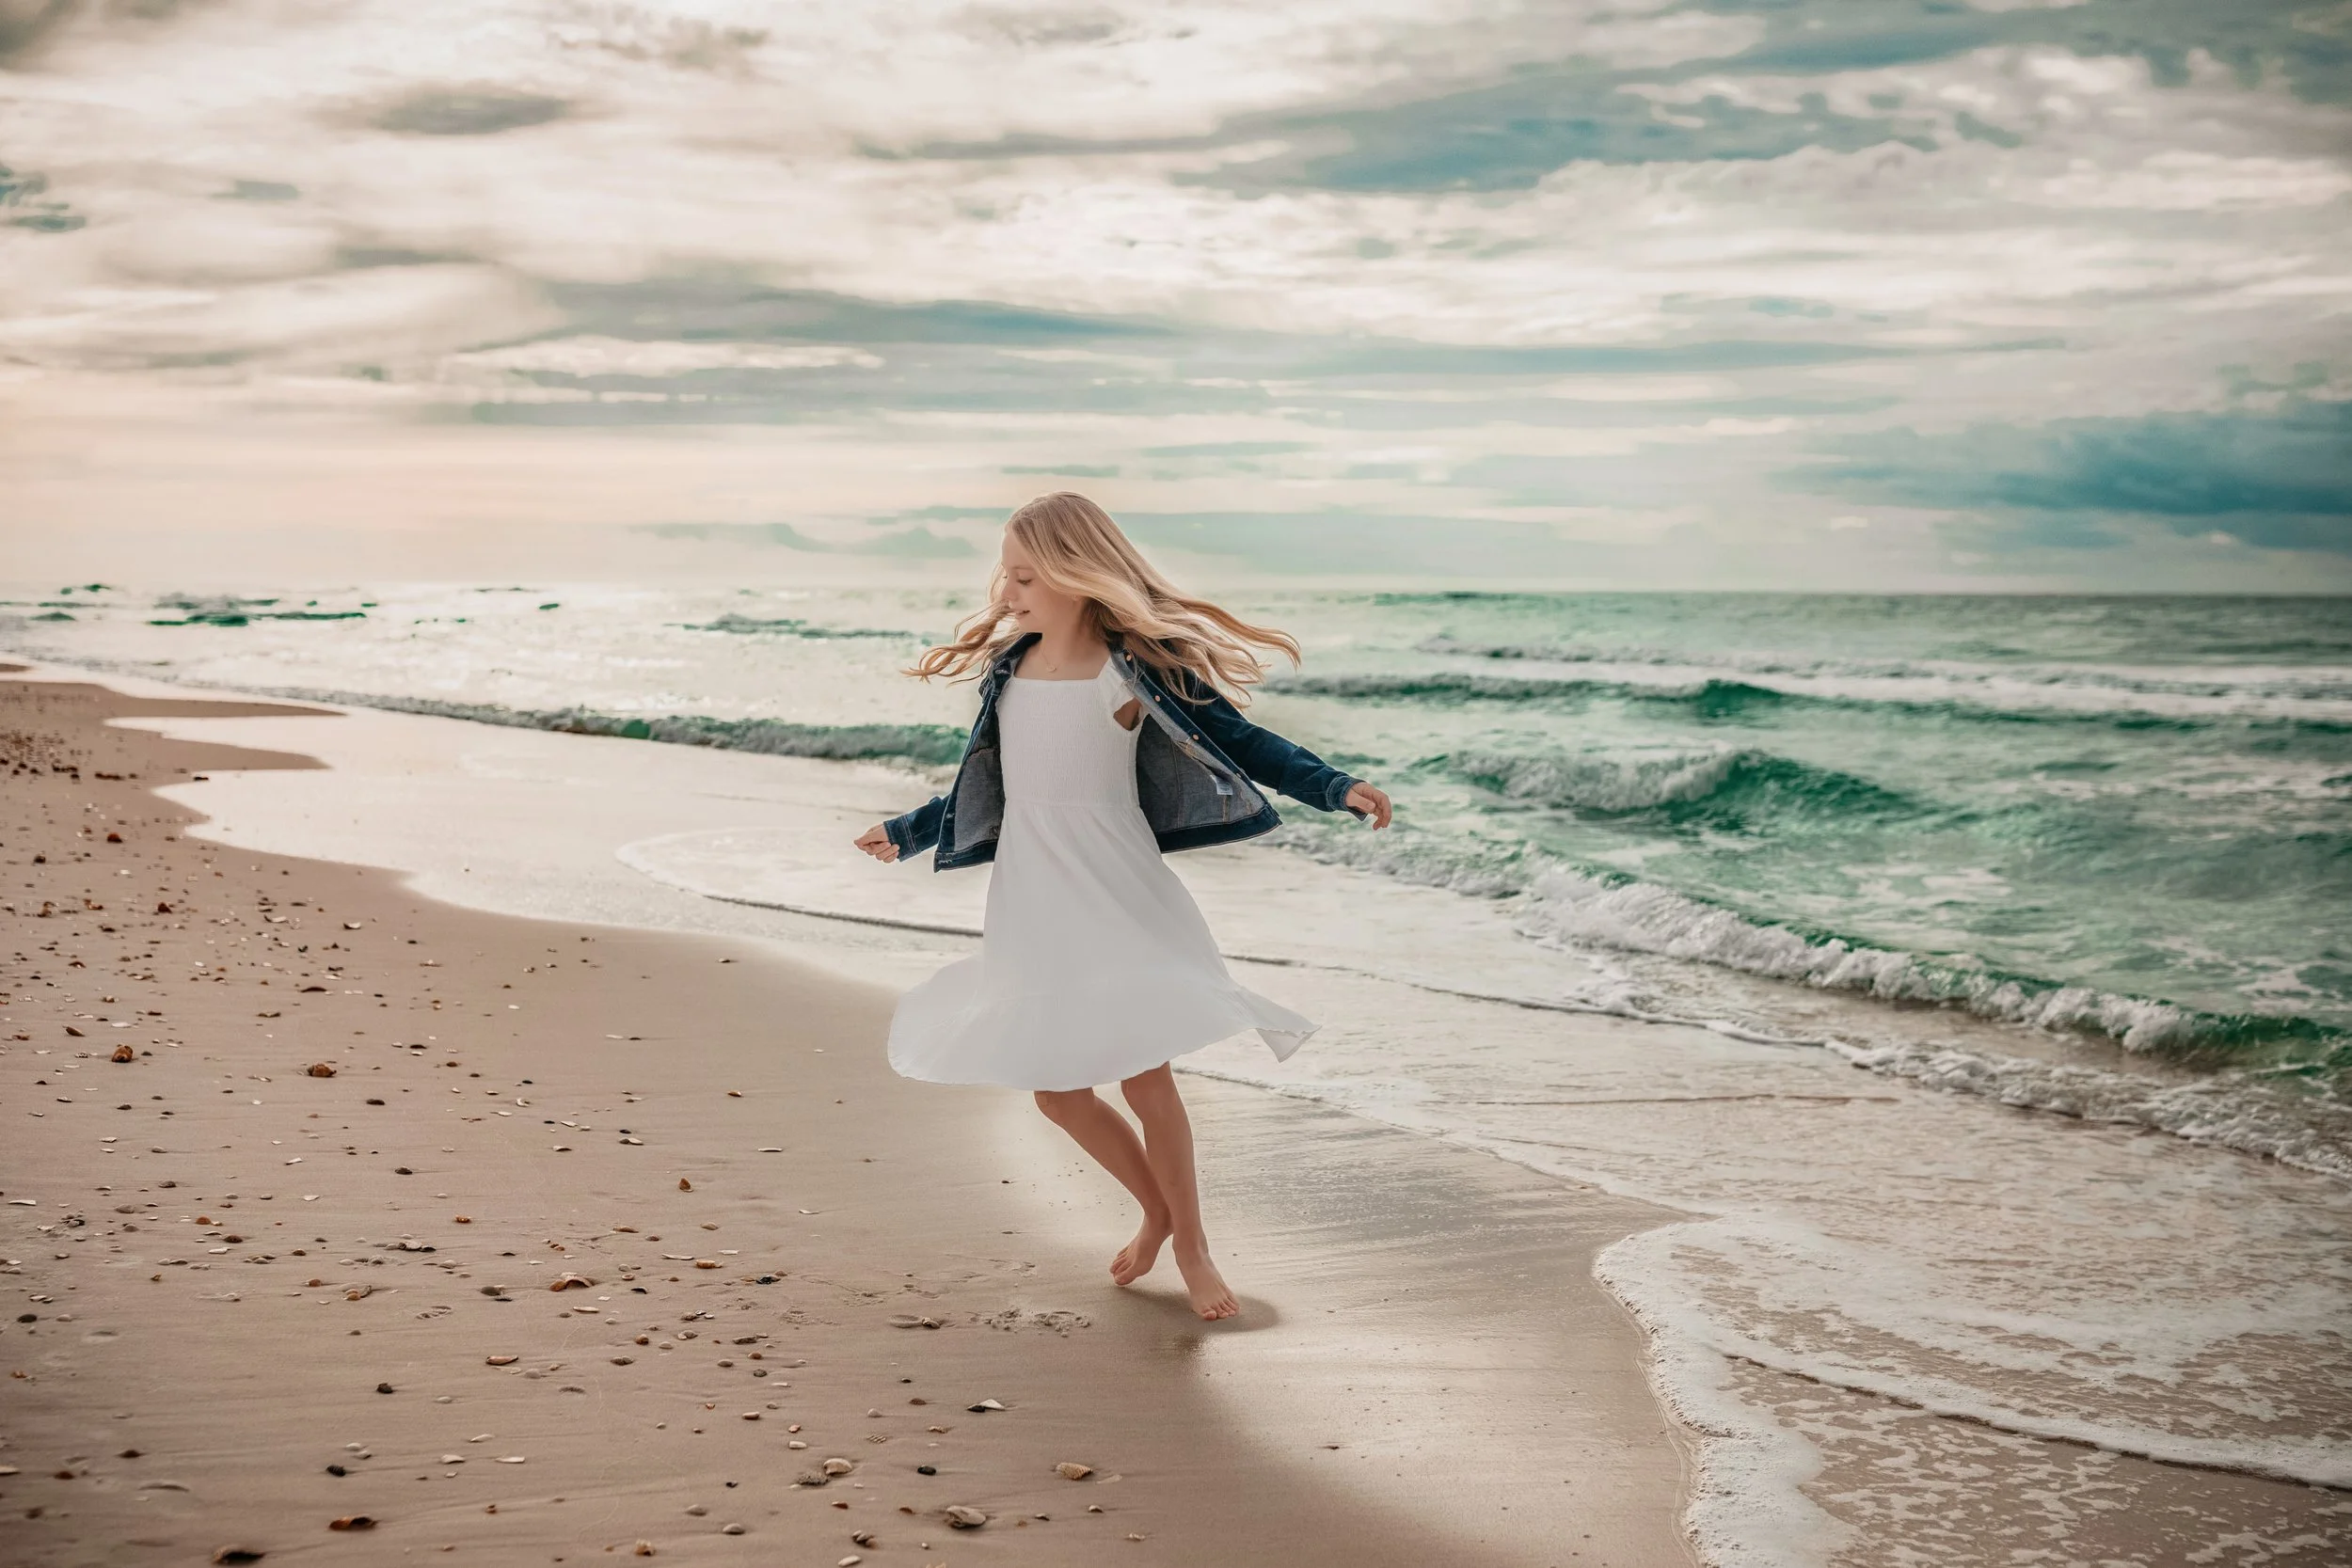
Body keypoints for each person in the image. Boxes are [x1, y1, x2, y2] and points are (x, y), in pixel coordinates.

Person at [854, 493, 1392, 1320]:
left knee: (1145, 1073)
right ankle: (1155, 1212)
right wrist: (912, 828)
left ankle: (1192, 1244)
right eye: (1005, 574)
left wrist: (1333, 785)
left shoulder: (1132, 669)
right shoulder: (1010, 669)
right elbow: (986, 782)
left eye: (1027, 575)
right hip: (1032, 896)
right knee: (1058, 1092)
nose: (1008, 591)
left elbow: (1244, 743)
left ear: (1077, 573)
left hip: (1117, 887)